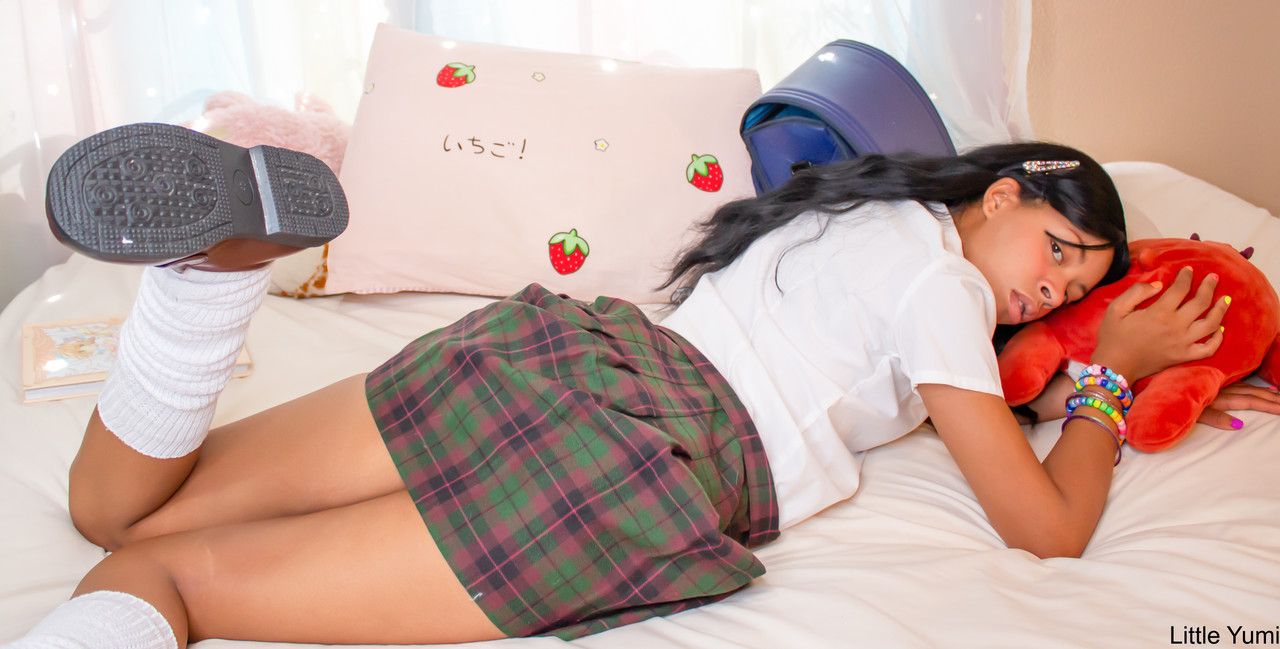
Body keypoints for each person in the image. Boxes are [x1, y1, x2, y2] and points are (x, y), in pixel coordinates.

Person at [8, 124, 1279, 649]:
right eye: (1053, 253)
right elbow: (1042, 528)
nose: (1045, 293)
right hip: (630, 464)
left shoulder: (858, 215)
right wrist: (1110, 381)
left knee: (114, 518)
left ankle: (208, 282)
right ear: (998, 195)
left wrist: (1052, 368)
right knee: (170, 581)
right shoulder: (940, 292)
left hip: (559, 354)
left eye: (1070, 291)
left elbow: (960, 380)